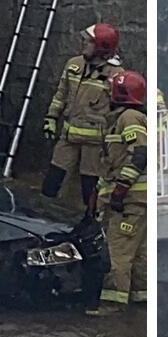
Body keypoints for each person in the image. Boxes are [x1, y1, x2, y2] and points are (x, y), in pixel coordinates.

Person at [43, 23, 123, 207]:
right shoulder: (74, 65)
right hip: (68, 136)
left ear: (101, 46)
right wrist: (51, 117)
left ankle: (90, 221)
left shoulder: (116, 75)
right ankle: (41, 215)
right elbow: (61, 94)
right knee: (54, 177)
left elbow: (117, 112)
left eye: (89, 42)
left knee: (90, 186)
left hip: (94, 144)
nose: (84, 44)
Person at [90, 70, 147, 314]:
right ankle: (139, 305)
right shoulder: (122, 119)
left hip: (129, 202)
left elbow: (140, 155)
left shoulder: (129, 118)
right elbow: (113, 163)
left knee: (118, 254)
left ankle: (113, 306)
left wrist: (120, 190)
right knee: (139, 256)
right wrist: (99, 192)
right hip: (136, 202)